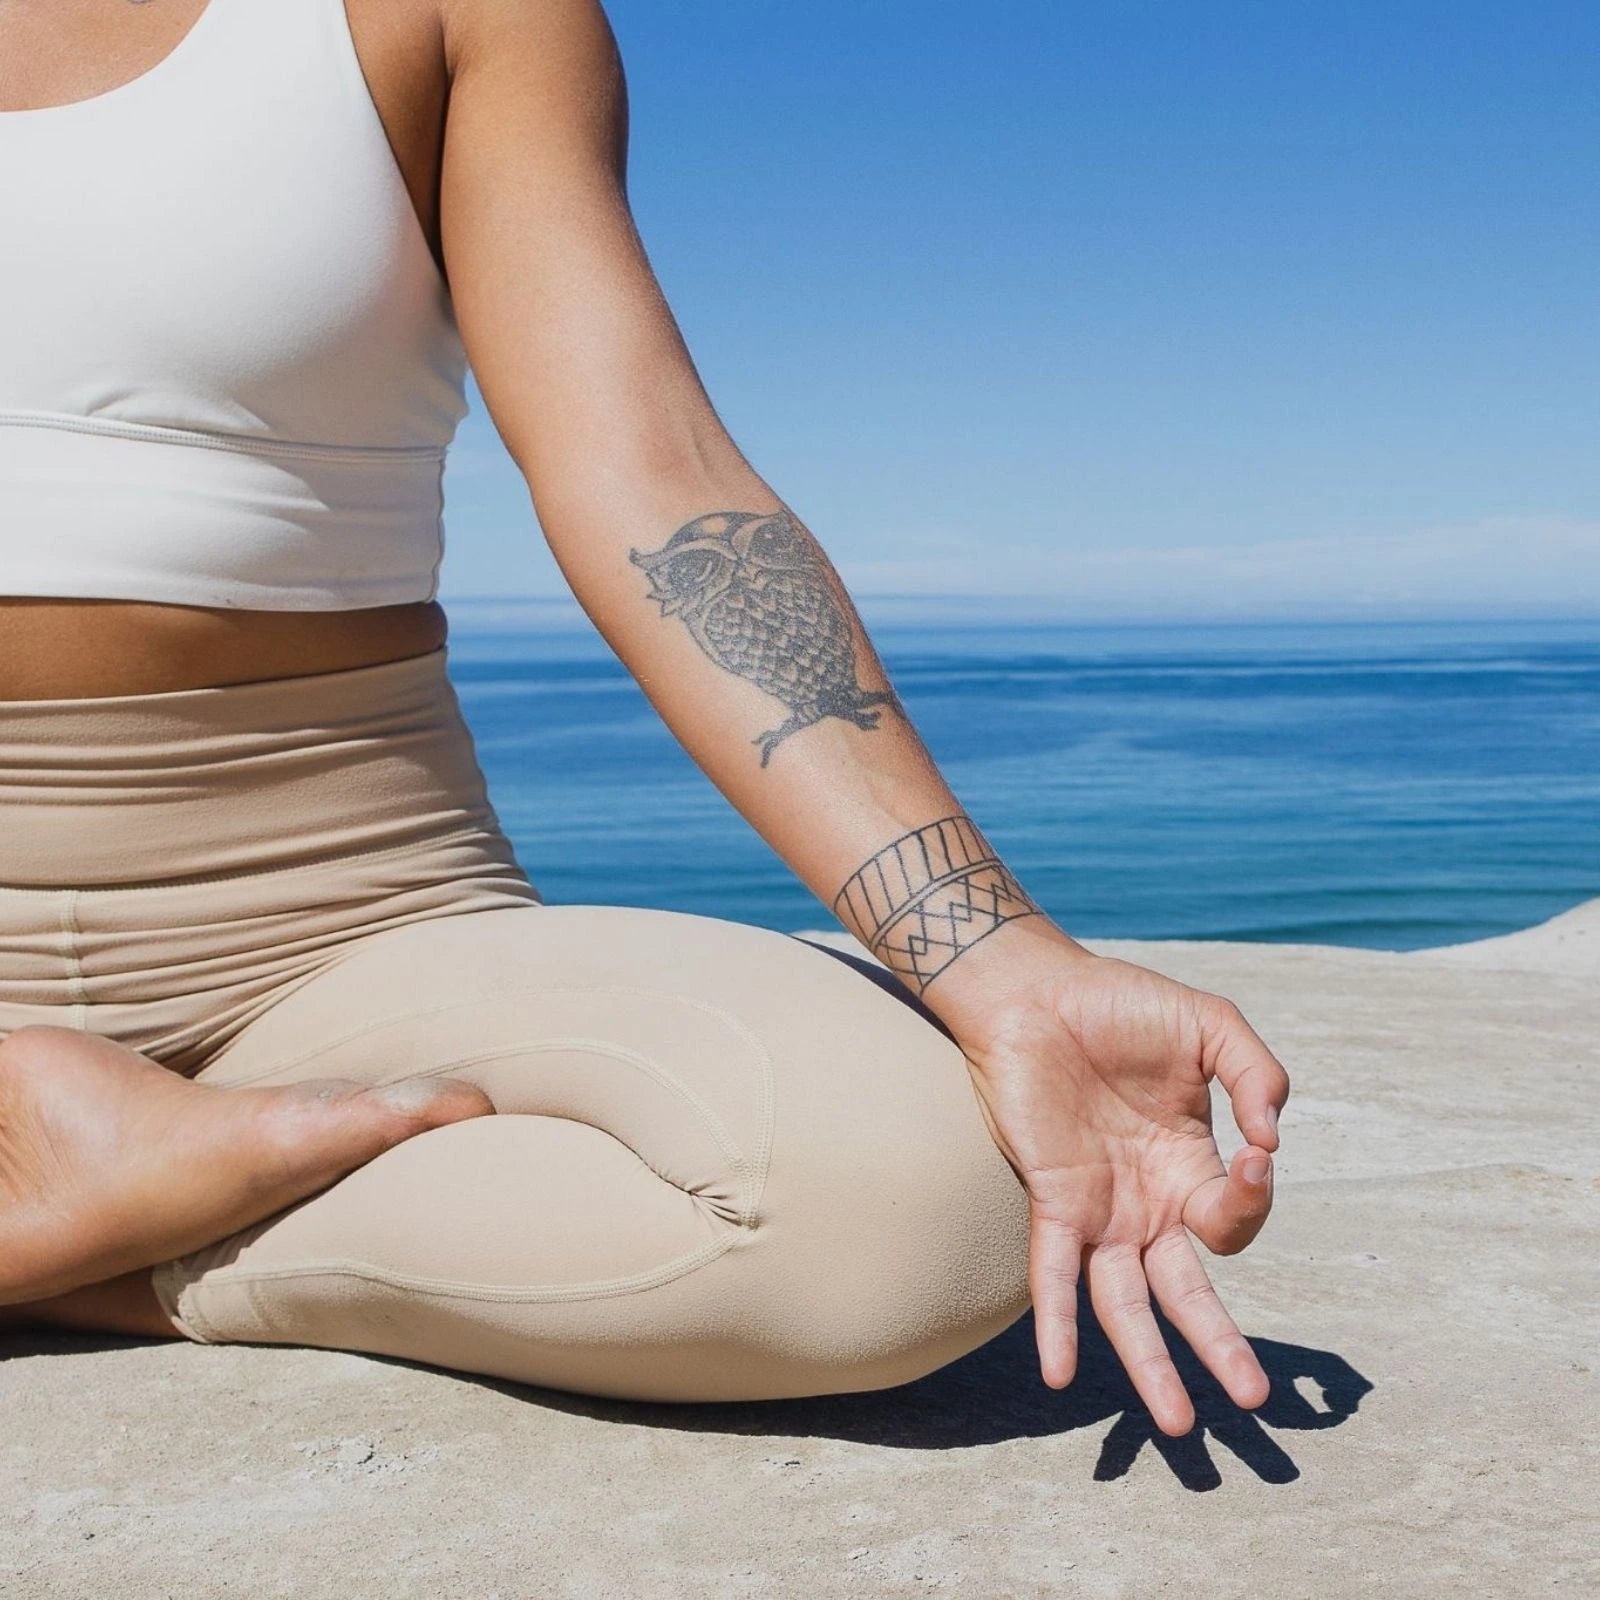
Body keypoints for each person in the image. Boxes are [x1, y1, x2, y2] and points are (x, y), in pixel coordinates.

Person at [0, 0, 1289, 1435]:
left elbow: (654, 477)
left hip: (330, 926)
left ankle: (81, 1244)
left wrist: (1003, 962)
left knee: (913, 1210)